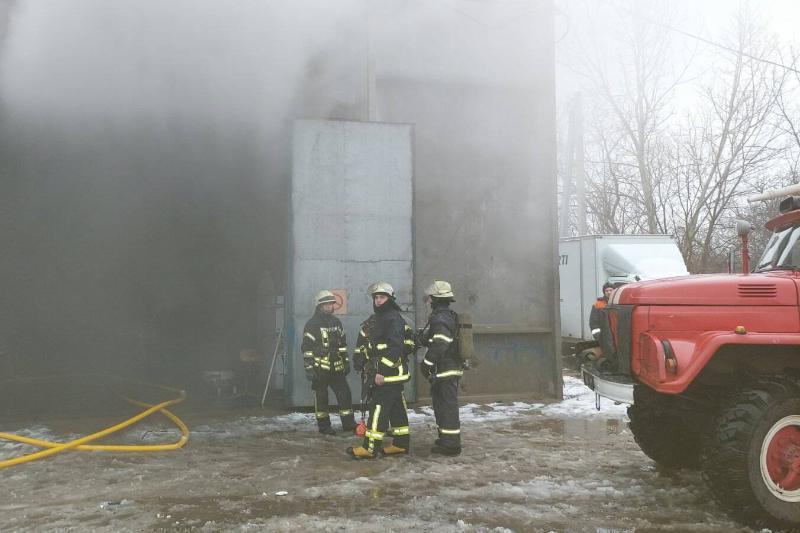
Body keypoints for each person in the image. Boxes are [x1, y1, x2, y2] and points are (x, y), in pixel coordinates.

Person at [347, 282, 410, 459]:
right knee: (397, 409)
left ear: (389, 299)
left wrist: (381, 371)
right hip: (392, 376)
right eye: (376, 297)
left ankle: (370, 448)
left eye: (382, 297)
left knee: (378, 410)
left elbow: (395, 347)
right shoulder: (382, 318)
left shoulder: (392, 318)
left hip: (387, 375)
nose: (378, 301)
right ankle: (400, 444)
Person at [418, 280, 462, 456]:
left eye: (430, 298)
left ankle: (451, 445)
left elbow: (441, 343)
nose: (428, 301)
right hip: (446, 369)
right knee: (441, 405)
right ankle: (446, 438)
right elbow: (433, 338)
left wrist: (426, 364)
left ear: (436, 299)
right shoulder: (446, 315)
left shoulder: (440, 317)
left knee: (447, 406)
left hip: (446, 369)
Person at [301, 290, 355, 435]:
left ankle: (349, 424)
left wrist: (346, 362)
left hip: (337, 367)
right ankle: (324, 427)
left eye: (332, 304)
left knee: (345, 395)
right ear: (319, 306)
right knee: (322, 397)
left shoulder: (336, 322)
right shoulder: (312, 324)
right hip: (320, 368)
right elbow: (306, 349)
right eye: (327, 304)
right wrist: (309, 369)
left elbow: (343, 345)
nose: (331, 307)